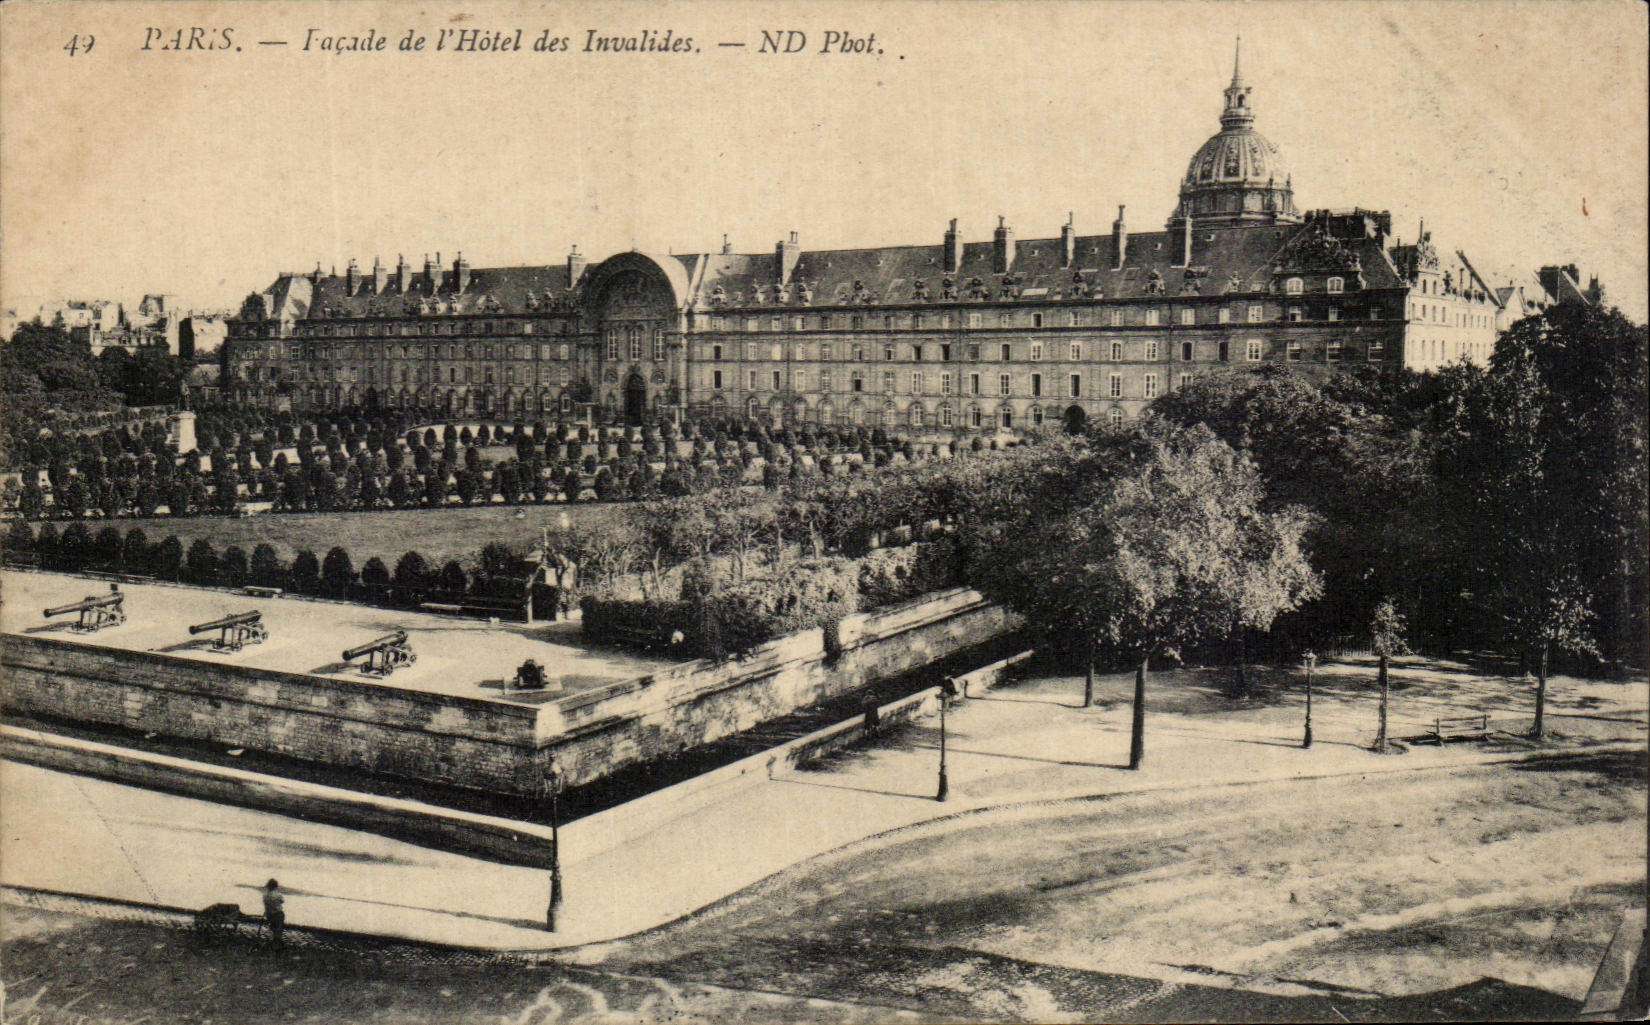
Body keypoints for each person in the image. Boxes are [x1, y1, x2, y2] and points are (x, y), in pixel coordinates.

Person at [262, 878, 285, 944]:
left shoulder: (264, 895)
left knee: (273, 928)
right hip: (278, 914)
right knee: (279, 929)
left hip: (269, 915)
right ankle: (277, 940)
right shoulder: (278, 895)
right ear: (276, 886)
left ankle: (274, 939)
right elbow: (282, 901)